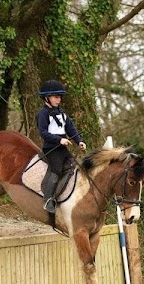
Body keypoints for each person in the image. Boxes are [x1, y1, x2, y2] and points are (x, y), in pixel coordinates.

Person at [37, 80, 87, 213]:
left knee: (73, 166)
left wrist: (79, 141)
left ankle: (67, 196)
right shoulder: (43, 113)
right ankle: (48, 199)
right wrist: (59, 140)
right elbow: (43, 132)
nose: (58, 100)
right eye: (56, 97)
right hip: (50, 148)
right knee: (57, 170)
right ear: (47, 98)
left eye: (59, 97)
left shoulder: (62, 113)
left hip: (62, 148)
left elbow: (71, 129)